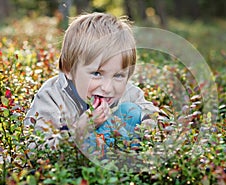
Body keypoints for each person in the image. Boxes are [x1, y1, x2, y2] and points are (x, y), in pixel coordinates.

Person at [24, 12, 160, 156]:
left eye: (118, 75)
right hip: (69, 171)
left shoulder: (128, 92)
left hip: (114, 163)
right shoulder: (52, 95)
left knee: (132, 111)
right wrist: (80, 129)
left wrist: (146, 128)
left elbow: (157, 117)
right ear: (69, 69)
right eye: (96, 74)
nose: (107, 88)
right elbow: (36, 149)